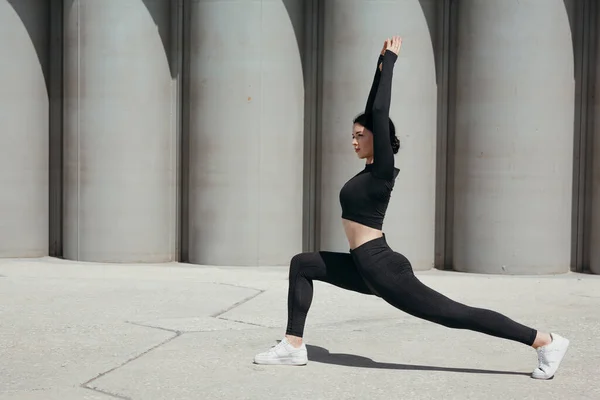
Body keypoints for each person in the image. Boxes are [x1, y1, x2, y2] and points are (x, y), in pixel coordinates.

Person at [253, 36, 569, 380]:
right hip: (365, 265)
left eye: (360, 134)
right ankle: (293, 345)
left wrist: (389, 62)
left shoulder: (382, 170)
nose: (354, 140)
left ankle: (544, 342)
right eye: (354, 134)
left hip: (381, 267)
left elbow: (378, 112)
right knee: (303, 264)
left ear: (377, 137)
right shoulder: (370, 170)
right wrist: (377, 67)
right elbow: (372, 108)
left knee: (455, 314)